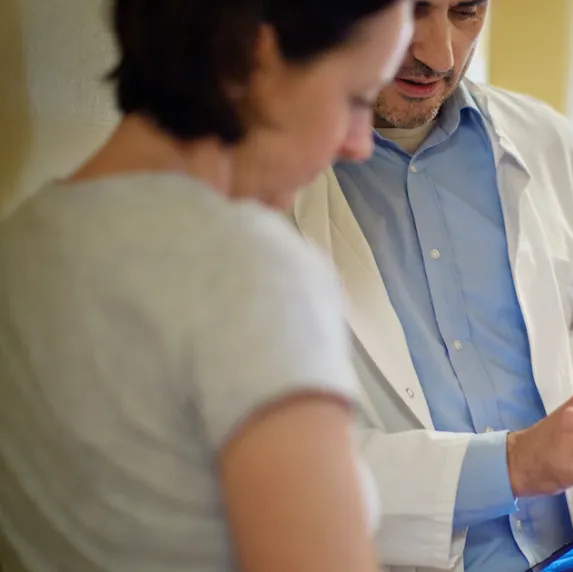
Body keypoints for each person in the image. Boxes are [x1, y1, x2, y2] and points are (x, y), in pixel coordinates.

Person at [289, 1, 573, 570]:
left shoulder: (548, 143)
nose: (438, 53)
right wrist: (511, 464)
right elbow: (283, 463)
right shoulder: (270, 179)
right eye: (412, 10)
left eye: (466, 11)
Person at [0, 1, 411, 571]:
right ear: (256, 60)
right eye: (357, 99)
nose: (358, 144)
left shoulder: (18, 244)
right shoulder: (251, 268)